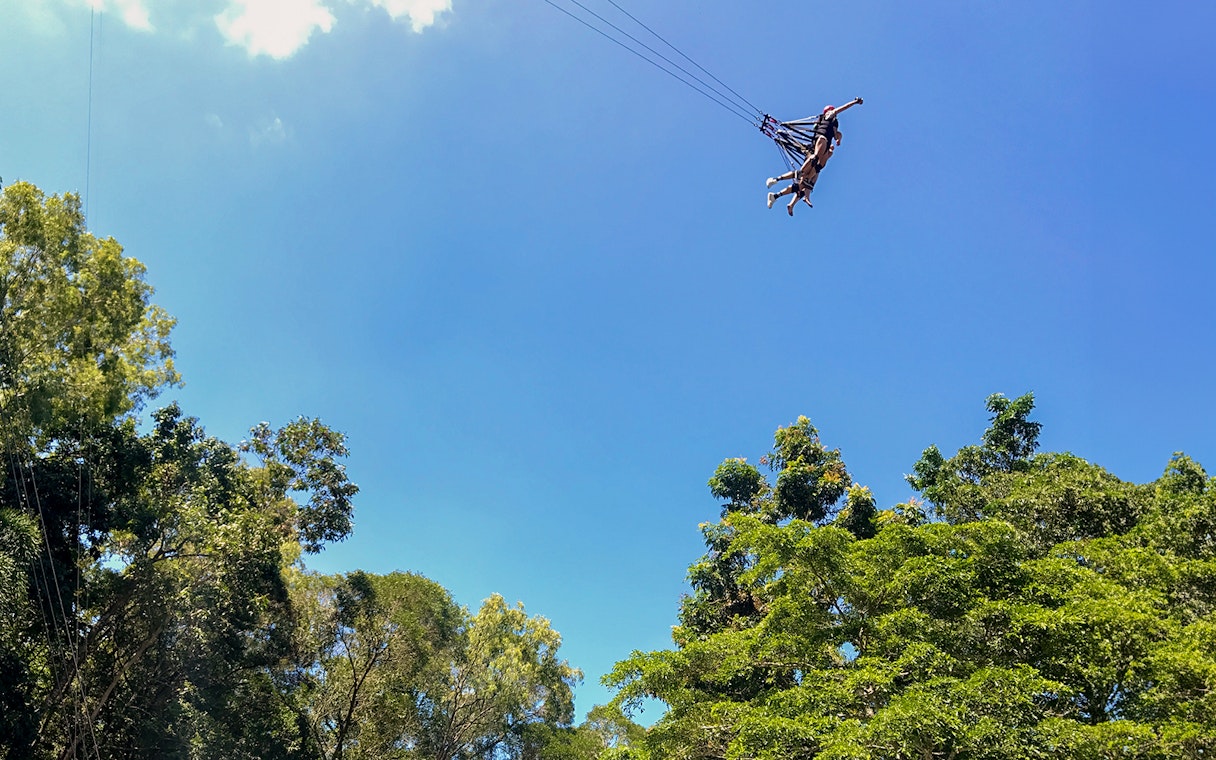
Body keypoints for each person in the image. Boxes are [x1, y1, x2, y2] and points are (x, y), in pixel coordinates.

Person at [764, 97, 862, 213]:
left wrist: (838, 140)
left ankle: (776, 196)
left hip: (824, 147)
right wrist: (854, 102)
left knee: (805, 182)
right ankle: (775, 180)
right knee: (812, 162)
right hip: (820, 141)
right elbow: (841, 109)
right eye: (832, 111)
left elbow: (837, 134)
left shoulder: (834, 125)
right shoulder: (828, 116)